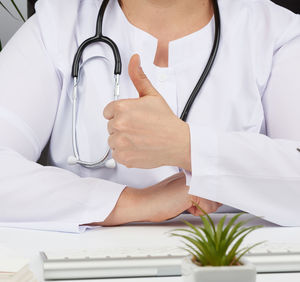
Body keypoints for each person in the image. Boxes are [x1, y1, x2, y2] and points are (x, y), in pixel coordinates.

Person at [0, 0, 299, 233]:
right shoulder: (56, 26)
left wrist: (187, 146)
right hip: (91, 264)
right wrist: (133, 203)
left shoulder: (276, 33)